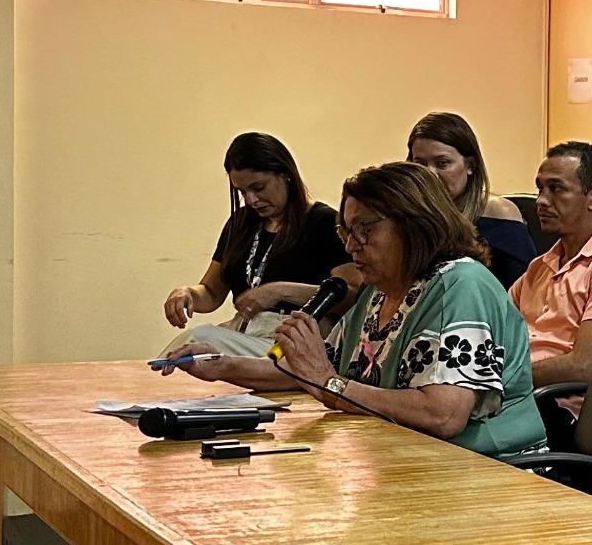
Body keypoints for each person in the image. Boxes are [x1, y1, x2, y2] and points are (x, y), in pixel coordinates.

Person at [174, 160, 546, 458]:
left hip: (490, 470)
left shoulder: (459, 285)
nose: (351, 245)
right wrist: (223, 364)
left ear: (414, 224)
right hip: (407, 458)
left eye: (364, 229)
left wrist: (329, 384)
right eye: (345, 232)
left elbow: (444, 415)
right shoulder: (378, 291)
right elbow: (309, 372)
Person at [162, 132, 345, 330]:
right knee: (191, 345)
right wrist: (187, 293)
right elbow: (212, 292)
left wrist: (279, 291)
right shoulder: (240, 223)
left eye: (259, 187)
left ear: (286, 174)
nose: (251, 200)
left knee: (201, 338)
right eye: (242, 192)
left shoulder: (324, 221)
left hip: (296, 334)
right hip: (246, 330)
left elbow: (351, 295)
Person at [514, 142, 592, 413]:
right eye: (540, 189)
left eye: (556, 189)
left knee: (449, 422)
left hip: (555, 409)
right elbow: (494, 326)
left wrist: (505, 378)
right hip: (519, 397)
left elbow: (584, 367)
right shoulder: (539, 267)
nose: (541, 201)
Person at [407, 111, 536, 288]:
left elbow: (524, 291)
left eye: (442, 163)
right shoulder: (407, 217)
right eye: (420, 164)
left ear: (470, 165)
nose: (430, 174)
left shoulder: (498, 213)